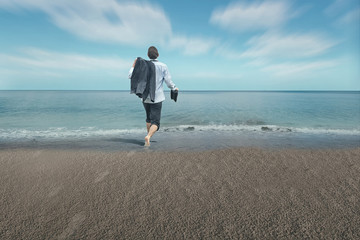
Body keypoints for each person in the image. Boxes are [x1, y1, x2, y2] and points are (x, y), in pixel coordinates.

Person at [128, 46, 178, 146]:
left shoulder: (143, 65)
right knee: (156, 122)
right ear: (158, 55)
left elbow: (130, 76)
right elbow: (168, 81)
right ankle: (148, 136)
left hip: (145, 97)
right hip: (157, 97)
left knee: (148, 118)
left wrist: (133, 65)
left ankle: (148, 137)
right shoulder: (163, 66)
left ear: (148, 55)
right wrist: (174, 88)